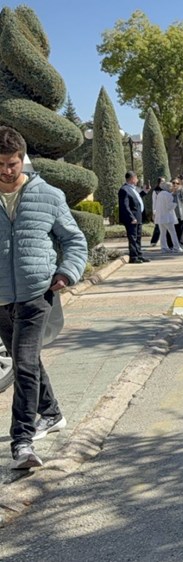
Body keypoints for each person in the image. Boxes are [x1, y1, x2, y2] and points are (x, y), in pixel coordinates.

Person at [0, 126, 88, 469]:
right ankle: (51, 413)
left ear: (22, 159)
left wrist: (66, 272)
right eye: (0, 164)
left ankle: (22, 443)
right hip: (2, 298)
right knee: (28, 362)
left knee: (23, 365)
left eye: (11, 163)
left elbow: (74, 239)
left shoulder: (48, 195)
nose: (6, 170)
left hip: (37, 294)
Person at [118, 170, 147, 264]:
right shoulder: (124, 190)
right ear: (132, 179)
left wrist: (144, 192)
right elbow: (125, 206)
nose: (137, 180)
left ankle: (139, 255)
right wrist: (131, 217)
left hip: (138, 217)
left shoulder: (134, 189)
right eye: (136, 178)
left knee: (138, 237)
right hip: (132, 219)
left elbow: (136, 199)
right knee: (133, 237)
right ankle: (133, 257)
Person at [153, 179, 182, 253]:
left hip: (160, 217)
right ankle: (176, 247)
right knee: (173, 232)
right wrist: (175, 202)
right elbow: (170, 206)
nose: (172, 187)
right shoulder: (168, 195)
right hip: (167, 218)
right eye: (171, 186)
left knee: (163, 233)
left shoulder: (160, 194)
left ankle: (164, 248)